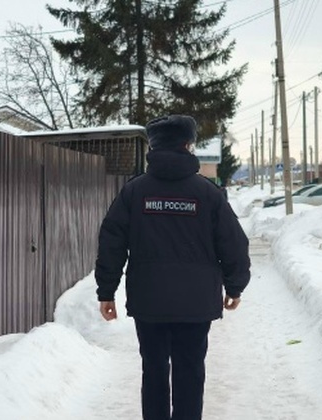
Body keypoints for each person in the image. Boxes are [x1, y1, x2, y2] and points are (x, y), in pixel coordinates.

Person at [95, 114, 251, 420]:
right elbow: (233, 243)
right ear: (188, 145)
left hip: (149, 300)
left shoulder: (134, 191)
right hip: (196, 302)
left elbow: (111, 241)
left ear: (153, 146)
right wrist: (235, 286)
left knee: (153, 370)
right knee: (191, 371)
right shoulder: (208, 193)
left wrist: (107, 291)